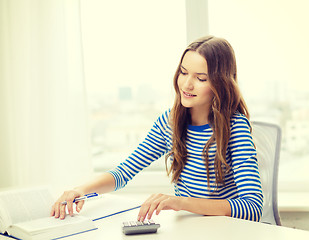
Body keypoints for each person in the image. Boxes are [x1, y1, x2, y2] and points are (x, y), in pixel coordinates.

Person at [50, 35, 263, 222]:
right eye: (183, 72)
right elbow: (124, 172)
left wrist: (182, 203)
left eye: (201, 78)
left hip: (226, 230)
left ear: (221, 84)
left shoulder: (235, 128)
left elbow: (253, 207)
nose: (187, 84)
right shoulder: (169, 122)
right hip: (188, 227)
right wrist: (81, 190)